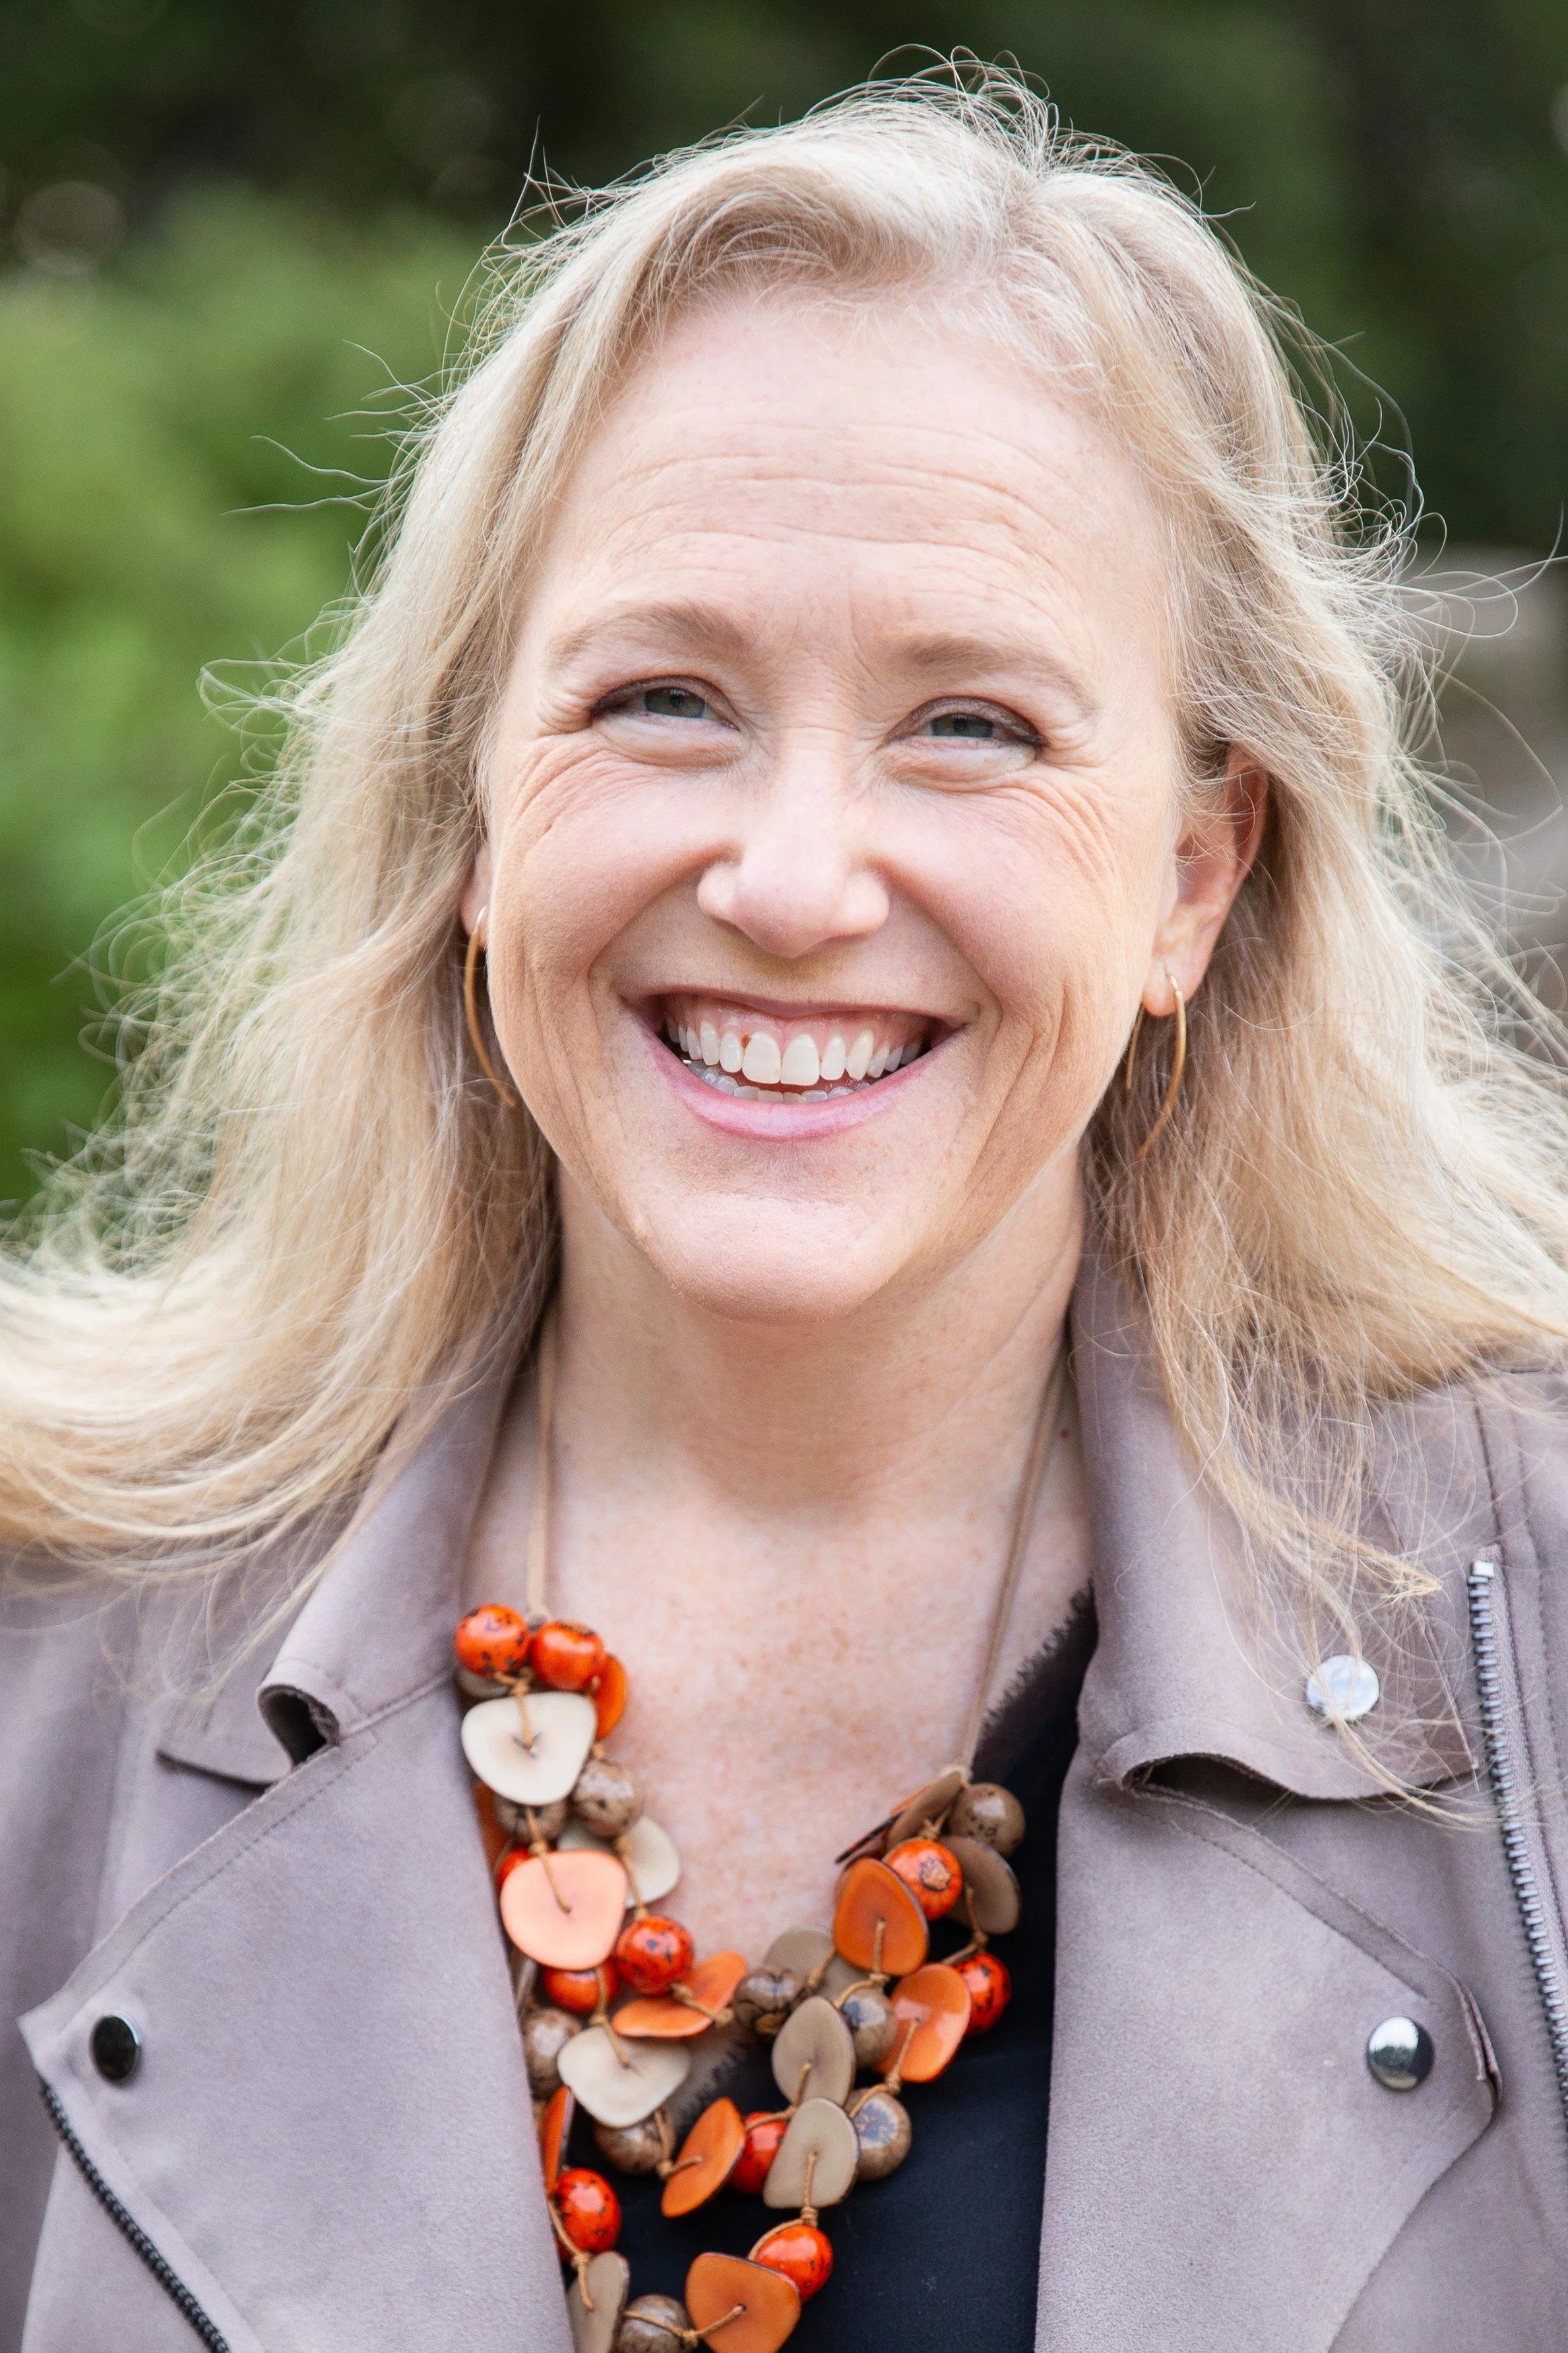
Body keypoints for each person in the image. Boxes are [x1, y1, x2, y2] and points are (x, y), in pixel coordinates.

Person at [3, 68, 1567, 2353]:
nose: (798, 878)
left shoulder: (1531, 1629)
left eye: (975, 726)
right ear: (472, 815)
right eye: (664, 698)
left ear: (1193, 874)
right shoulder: (43, 1649)